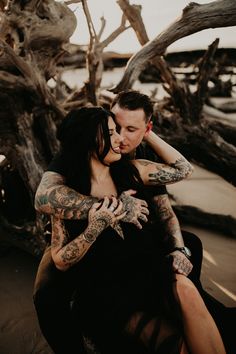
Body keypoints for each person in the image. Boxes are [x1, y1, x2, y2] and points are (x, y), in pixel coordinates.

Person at [33, 91, 233, 353]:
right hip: (97, 261)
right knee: (46, 296)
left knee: (187, 265)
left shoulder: (135, 164)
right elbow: (43, 199)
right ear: (94, 133)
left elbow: (172, 196)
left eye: (130, 129)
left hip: (138, 256)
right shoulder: (71, 162)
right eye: (115, 127)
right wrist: (113, 209)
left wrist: (178, 248)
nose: (121, 138)